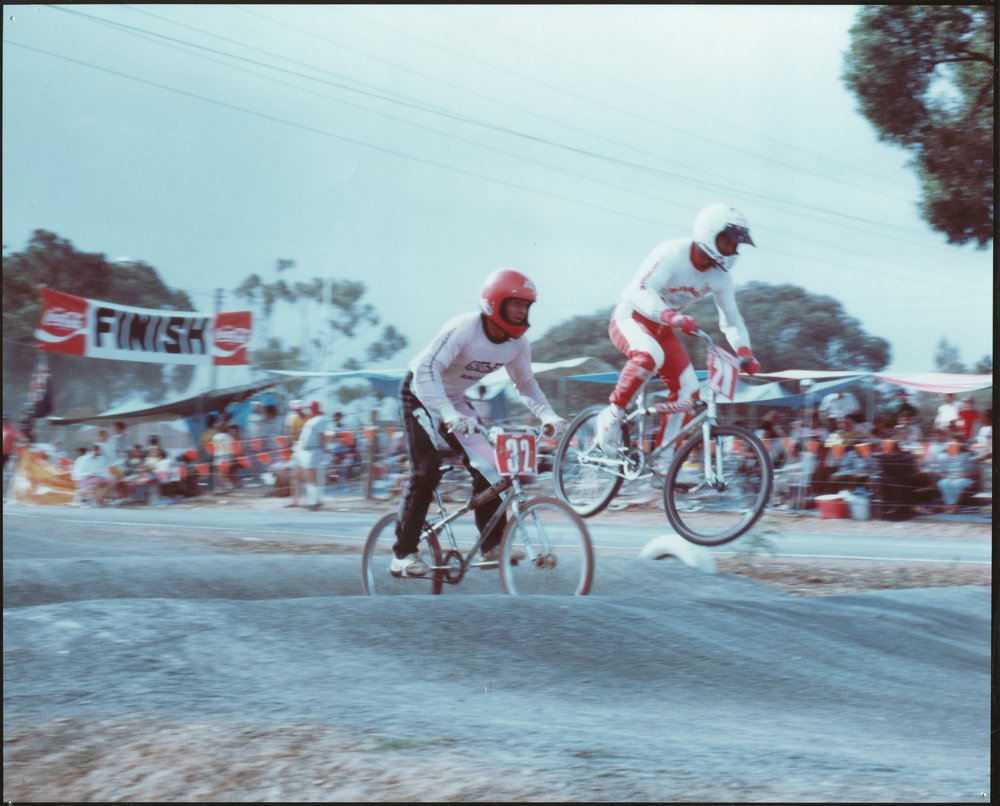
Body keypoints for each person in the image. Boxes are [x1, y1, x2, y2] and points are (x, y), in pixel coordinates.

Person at [392, 268, 568, 577]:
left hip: (456, 401)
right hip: (419, 393)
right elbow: (425, 372)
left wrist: (548, 415)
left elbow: (525, 385)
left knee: (493, 467)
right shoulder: (464, 327)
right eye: (515, 304)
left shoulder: (518, 344)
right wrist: (446, 414)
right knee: (426, 470)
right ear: (494, 303)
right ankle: (403, 554)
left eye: (526, 306)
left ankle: (490, 545)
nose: (521, 311)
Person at [594, 203, 760, 466]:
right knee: (650, 356)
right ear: (709, 232)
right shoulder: (672, 252)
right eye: (727, 241)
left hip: (663, 329)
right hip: (631, 316)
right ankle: (611, 416)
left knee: (690, 391)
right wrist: (672, 316)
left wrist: (744, 351)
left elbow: (731, 319)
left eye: (735, 244)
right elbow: (639, 290)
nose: (731, 250)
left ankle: (664, 462)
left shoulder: (721, 277)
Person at [294, 400, 330, 510]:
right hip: (306, 450)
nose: (310, 410)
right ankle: (315, 500)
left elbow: (322, 435)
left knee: (311, 477)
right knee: (309, 476)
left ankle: (313, 502)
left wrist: (324, 449)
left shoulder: (320, 419)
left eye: (311, 408)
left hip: (314, 449)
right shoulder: (313, 419)